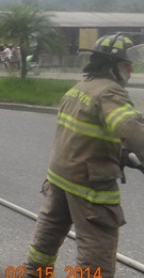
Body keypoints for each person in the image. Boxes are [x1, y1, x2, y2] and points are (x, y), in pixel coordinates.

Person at [23, 32, 144, 278]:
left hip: (59, 179)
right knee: (97, 250)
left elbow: (85, 135)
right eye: (126, 64)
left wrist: (120, 153)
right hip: (88, 184)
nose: (130, 70)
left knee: (47, 238)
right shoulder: (110, 93)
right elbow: (131, 129)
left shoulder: (79, 88)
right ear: (113, 66)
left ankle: (33, 274)